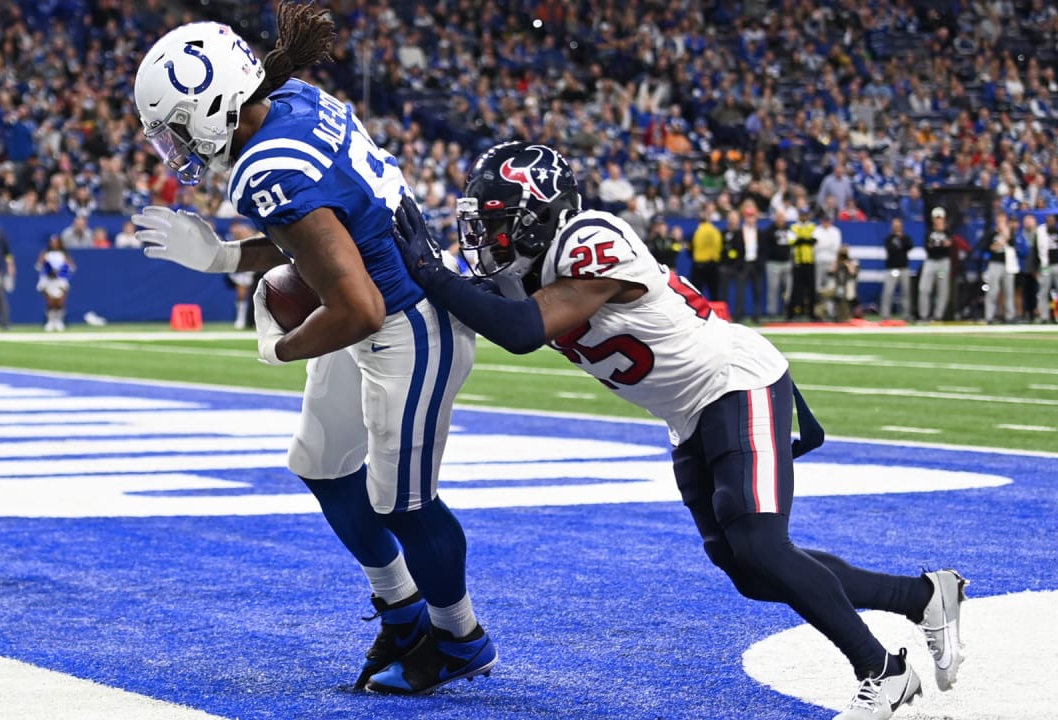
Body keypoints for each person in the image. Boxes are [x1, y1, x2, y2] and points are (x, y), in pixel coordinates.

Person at [392, 141, 967, 720]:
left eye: (498, 225)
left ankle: (883, 672)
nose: (486, 240)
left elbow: (519, 329)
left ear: (543, 216)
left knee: (762, 545)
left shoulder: (591, 236)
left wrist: (431, 273)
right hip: (686, 414)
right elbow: (473, 304)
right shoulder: (523, 270)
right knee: (749, 571)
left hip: (734, 381)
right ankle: (922, 597)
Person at [130, 7, 495, 695]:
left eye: (176, 127)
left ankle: (459, 637)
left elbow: (359, 304)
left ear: (212, 110)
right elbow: (326, 230)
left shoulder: (266, 166)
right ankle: (402, 608)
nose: (173, 143)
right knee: (323, 463)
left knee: (404, 504)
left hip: (407, 324)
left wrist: (285, 347)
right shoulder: (293, 99)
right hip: (377, 300)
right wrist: (223, 258)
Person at [918, 207, 953, 323]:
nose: (938, 221)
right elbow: (928, 246)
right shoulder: (929, 231)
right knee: (924, 288)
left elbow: (949, 245)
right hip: (931, 262)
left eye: (940, 218)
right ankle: (924, 315)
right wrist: (941, 244)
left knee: (942, 289)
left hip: (943, 264)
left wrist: (938, 243)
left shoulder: (948, 231)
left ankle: (938, 316)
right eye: (936, 218)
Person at [35, 234, 75, 332]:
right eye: (52, 242)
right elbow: (38, 266)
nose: (54, 244)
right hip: (48, 280)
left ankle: (59, 321)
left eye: (56, 242)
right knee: (50, 302)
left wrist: (61, 271)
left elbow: (72, 267)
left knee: (60, 302)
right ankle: (50, 321)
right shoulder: (45, 254)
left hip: (60, 280)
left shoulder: (64, 254)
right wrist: (48, 269)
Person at [983, 214, 1017, 324]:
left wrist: (1006, 234)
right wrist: (1002, 239)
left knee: (1009, 291)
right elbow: (991, 248)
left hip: (1008, 264)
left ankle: (1010, 316)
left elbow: (1012, 245)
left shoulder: (1010, 233)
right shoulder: (992, 233)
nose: (1001, 222)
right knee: (993, 291)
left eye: (1003, 220)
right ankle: (989, 316)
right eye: (999, 220)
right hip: (995, 264)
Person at [760, 209, 793, 318]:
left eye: (782, 217)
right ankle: (772, 311)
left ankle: (788, 311)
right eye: (778, 217)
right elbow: (765, 247)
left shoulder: (789, 230)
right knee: (773, 289)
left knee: (788, 289)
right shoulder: (769, 231)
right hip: (773, 263)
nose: (780, 219)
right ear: (775, 218)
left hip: (787, 262)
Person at [225, 220, 258, 329]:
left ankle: (252, 319)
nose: (242, 232)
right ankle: (241, 318)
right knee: (242, 293)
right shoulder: (231, 241)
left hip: (255, 269)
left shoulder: (254, 240)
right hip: (241, 269)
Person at [879, 218, 914, 321]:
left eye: (898, 226)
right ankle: (885, 315)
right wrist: (899, 244)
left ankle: (906, 315)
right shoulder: (889, 238)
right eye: (895, 226)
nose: (897, 227)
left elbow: (909, 246)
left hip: (904, 268)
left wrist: (901, 238)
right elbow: (891, 249)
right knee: (888, 293)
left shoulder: (906, 238)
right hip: (892, 268)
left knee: (906, 293)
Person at [788, 213, 819, 320]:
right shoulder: (794, 227)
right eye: (802, 215)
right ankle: (792, 313)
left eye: (806, 215)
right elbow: (792, 241)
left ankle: (811, 313)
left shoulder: (812, 226)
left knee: (811, 290)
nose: (804, 217)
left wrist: (802, 240)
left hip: (810, 262)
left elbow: (814, 240)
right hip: (798, 262)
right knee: (796, 289)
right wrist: (806, 240)